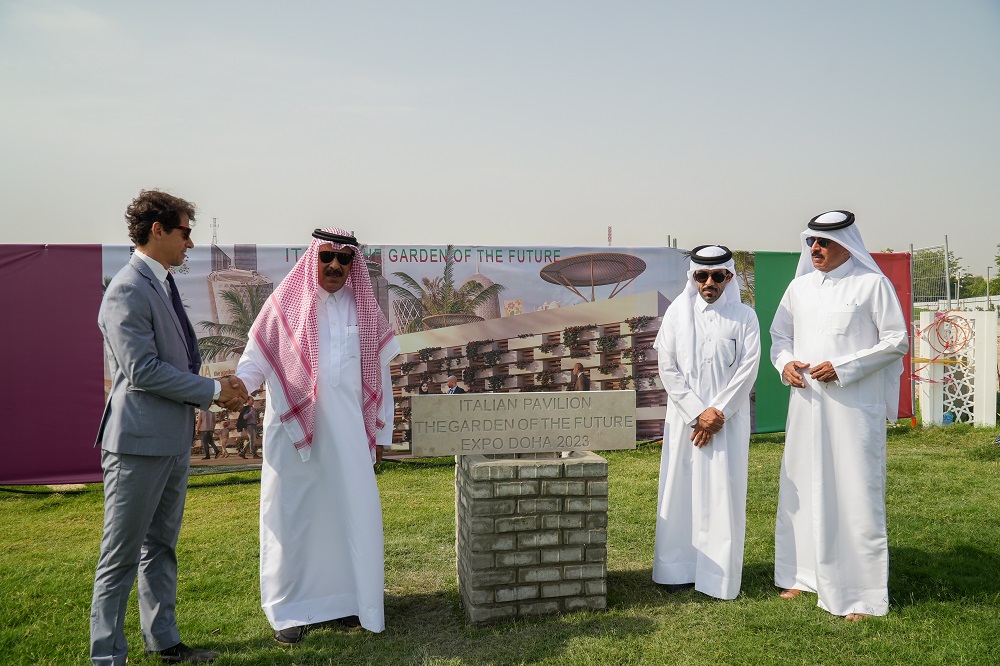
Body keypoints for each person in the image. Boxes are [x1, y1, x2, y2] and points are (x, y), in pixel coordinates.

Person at [91, 189, 247, 665]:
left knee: (160, 546)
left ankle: (165, 641)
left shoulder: (161, 282)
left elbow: (171, 362)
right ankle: (106, 657)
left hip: (171, 440)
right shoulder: (127, 288)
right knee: (120, 556)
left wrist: (210, 388)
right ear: (157, 230)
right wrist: (216, 392)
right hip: (137, 445)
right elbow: (143, 370)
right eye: (185, 232)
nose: (191, 243)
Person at [235, 227, 399, 645]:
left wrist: (380, 435)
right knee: (293, 517)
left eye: (344, 260)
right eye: (327, 257)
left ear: (353, 265)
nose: (335, 266)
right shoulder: (282, 307)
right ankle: (289, 609)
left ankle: (346, 601)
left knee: (348, 512)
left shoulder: (364, 311)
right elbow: (254, 362)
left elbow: (380, 377)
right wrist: (235, 390)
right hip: (293, 438)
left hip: (347, 437)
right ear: (314, 258)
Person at [770, 210, 908, 621]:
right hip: (807, 407)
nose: (815, 248)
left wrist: (844, 367)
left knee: (853, 493)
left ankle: (861, 595)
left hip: (852, 408)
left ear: (846, 244)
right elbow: (780, 336)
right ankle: (803, 575)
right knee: (805, 485)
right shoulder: (799, 288)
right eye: (811, 241)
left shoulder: (872, 285)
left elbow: (896, 339)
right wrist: (787, 364)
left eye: (824, 242)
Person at [651, 245, 761, 599]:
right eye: (701, 276)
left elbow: (748, 369)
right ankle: (675, 570)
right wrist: (697, 412)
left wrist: (718, 412)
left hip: (726, 422)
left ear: (730, 277)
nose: (709, 283)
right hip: (685, 420)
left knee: (722, 493)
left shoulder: (745, 318)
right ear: (693, 278)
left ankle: (719, 578)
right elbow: (666, 367)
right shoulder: (675, 314)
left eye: (717, 276)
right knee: (679, 491)